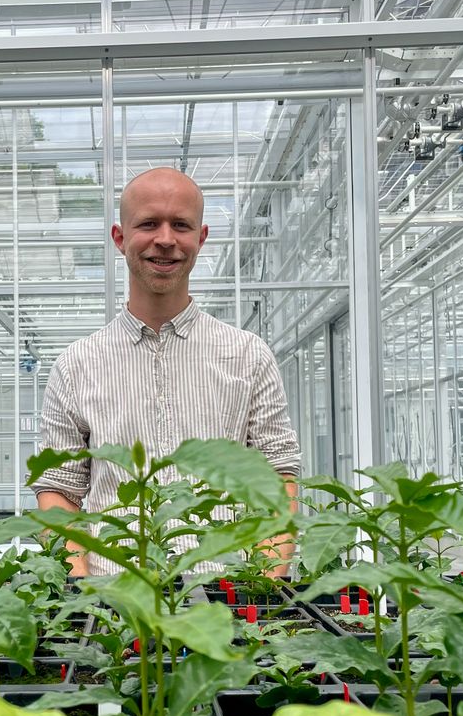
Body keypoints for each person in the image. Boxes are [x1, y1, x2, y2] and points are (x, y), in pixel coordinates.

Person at [32, 167, 300, 577]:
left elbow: (278, 475)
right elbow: (59, 489)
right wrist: (81, 590)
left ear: (201, 238)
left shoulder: (248, 355)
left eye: (181, 225)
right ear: (119, 238)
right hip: (116, 607)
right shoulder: (76, 366)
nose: (165, 239)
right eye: (148, 224)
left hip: (225, 601)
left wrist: (262, 586)